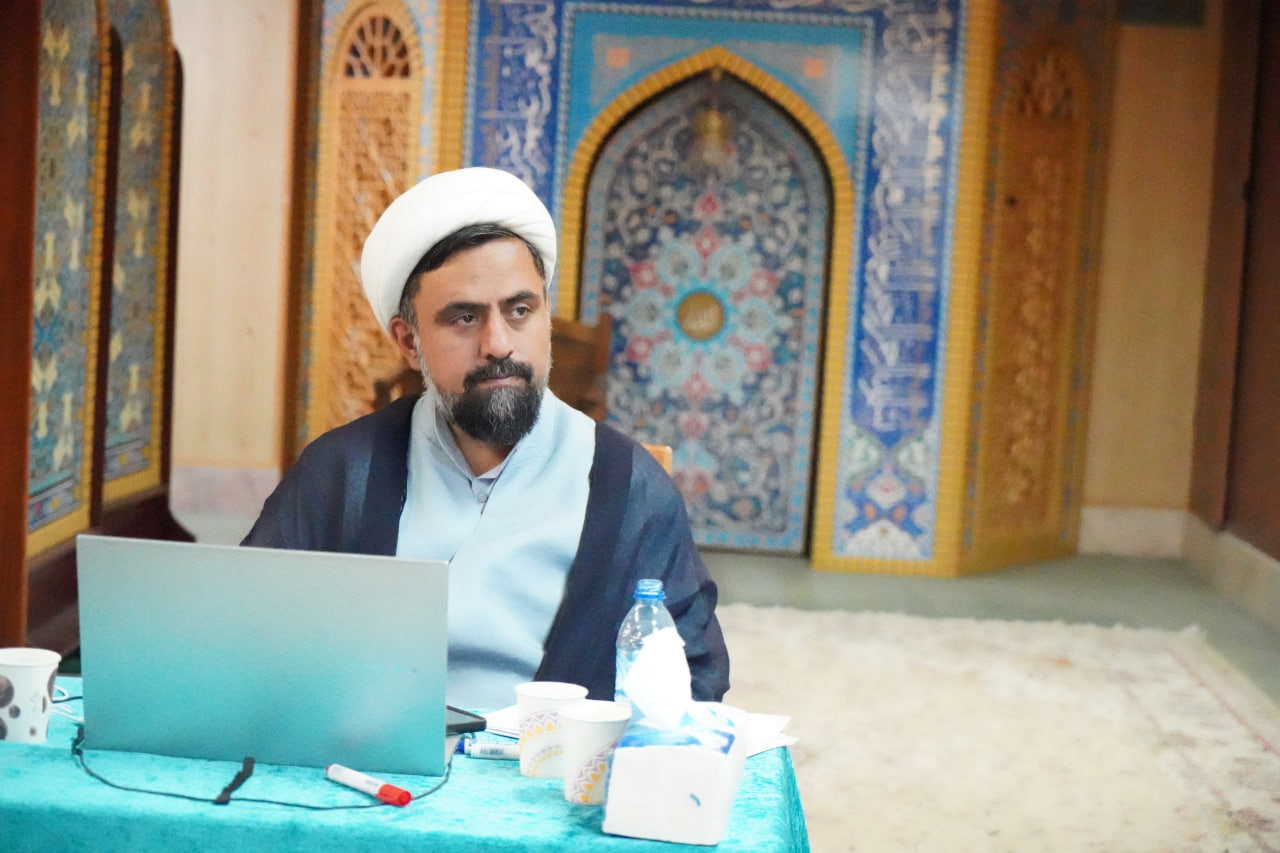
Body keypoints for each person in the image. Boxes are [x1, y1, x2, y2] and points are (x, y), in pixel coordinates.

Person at [243, 167, 729, 710]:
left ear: (545, 317)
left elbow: (691, 681)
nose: (498, 344)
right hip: (377, 757)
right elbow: (248, 637)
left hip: (554, 762)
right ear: (408, 342)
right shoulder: (342, 471)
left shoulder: (629, 486)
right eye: (464, 318)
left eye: (520, 311)